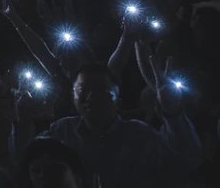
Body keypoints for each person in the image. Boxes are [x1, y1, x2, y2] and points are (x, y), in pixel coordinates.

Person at [44, 62, 202, 188]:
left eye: (100, 90)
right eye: (83, 89)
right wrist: (23, 121)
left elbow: (186, 160)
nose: (91, 96)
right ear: (73, 96)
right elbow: (27, 165)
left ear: (118, 100)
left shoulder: (139, 135)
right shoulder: (62, 131)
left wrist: (173, 112)